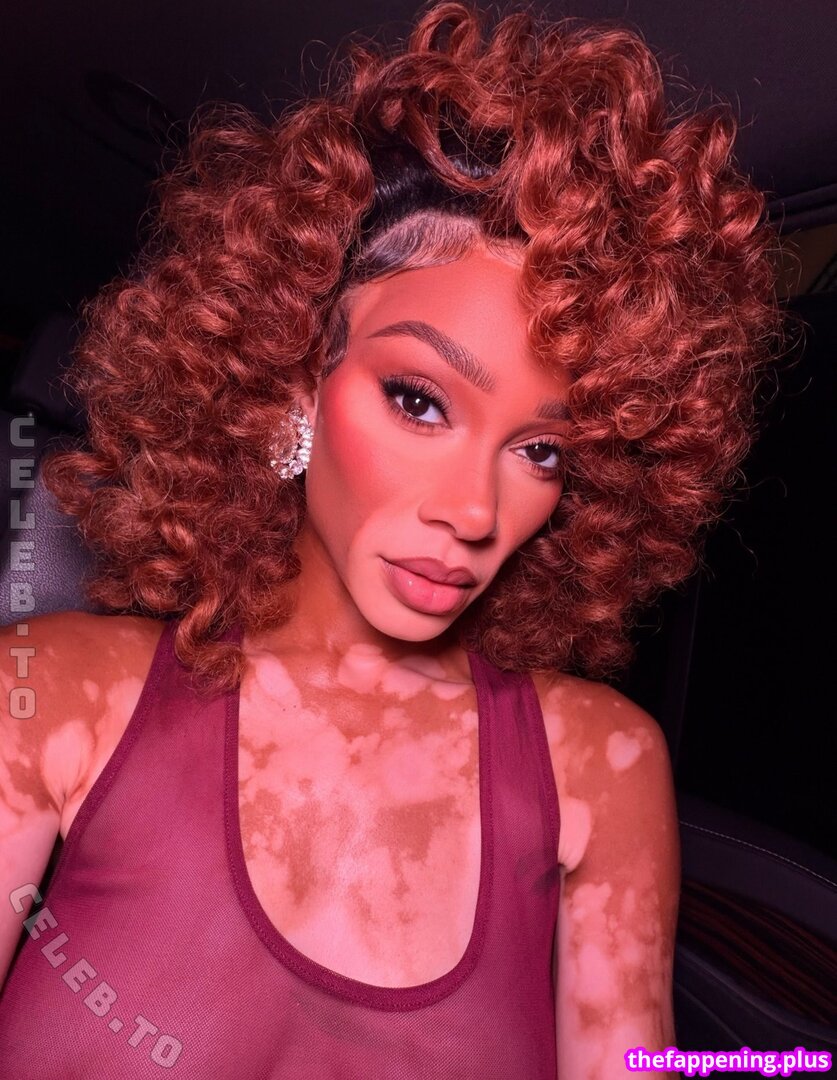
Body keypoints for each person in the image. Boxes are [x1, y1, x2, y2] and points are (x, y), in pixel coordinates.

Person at [0, 2, 784, 1076]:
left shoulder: (599, 771)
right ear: (291, 378)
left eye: (541, 451)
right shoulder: (52, 699)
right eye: (419, 400)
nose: (475, 511)